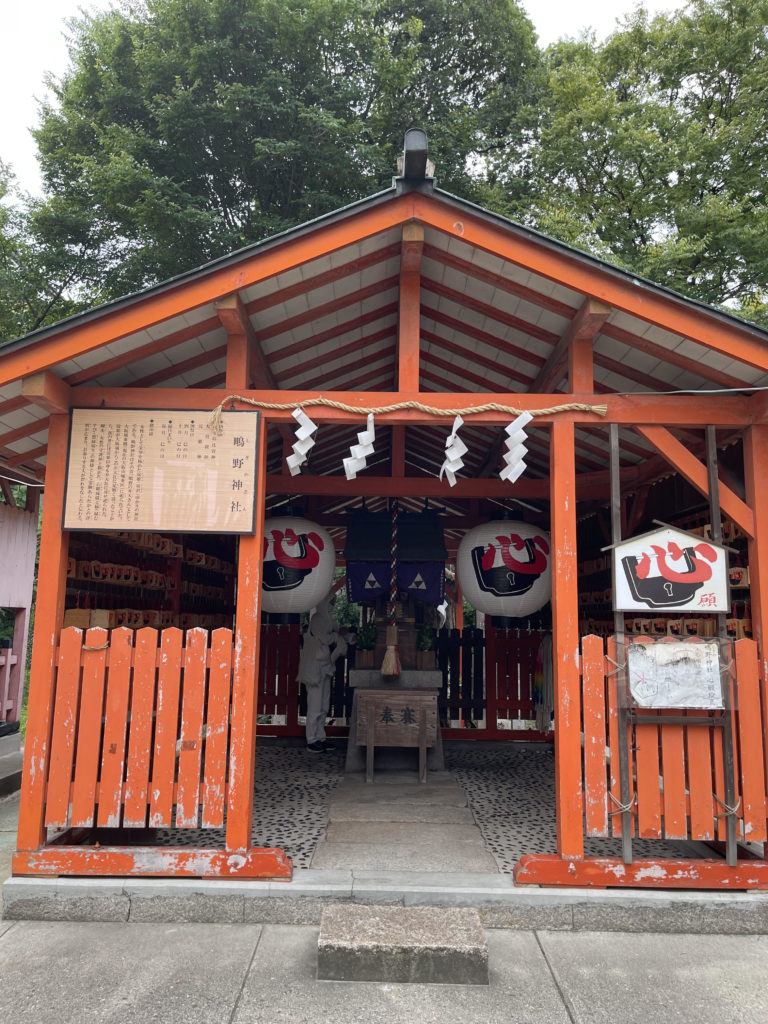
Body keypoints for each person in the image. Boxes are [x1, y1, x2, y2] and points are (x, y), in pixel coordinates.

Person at [297, 593, 347, 752]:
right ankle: (311, 739)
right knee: (315, 705)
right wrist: (337, 636)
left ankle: (320, 736)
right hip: (315, 669)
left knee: (324, 705)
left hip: (325, 667)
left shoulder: (329, 620)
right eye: (330, 601)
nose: (332, 603)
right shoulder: (317, 619)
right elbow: (327, 639)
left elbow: (335, 635)